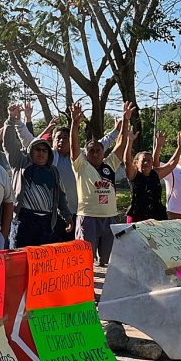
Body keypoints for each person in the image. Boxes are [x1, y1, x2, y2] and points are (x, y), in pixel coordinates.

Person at [70, 101, 131, 265]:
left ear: (104, 152)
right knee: (84, 260)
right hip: (88, 217)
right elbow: (74, 145)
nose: (95, 153)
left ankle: (107, 288)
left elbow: (122, 143)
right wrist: (74, 124)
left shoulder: (110, 164)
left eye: (99, 150)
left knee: (108, 260)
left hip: (109, 218)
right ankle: (87, 290)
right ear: (86, 153)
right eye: (91, 150)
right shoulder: (81, 165)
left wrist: (125, 121)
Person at [3, 108, 73, 247]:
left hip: (47, 222)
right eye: (37, 149)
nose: (41, 153)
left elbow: (59, 196)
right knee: (21, 260)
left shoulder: (53, 171)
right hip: (24, 220)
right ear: (31, 151)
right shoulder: (20, 163)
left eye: (44, 150)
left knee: (42, 262)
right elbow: (9, 144)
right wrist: (11, 120)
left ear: (49, 153)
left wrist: (67, 216)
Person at [123, 130, 181, 223]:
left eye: (149, 160)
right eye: (143, 160)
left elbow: (171, 164)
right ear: (136, 163)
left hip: (157, 216)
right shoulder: (133, 175)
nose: (146, 163)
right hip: (137, 216)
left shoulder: (155, 174)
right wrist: (130, 141)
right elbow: (127, 162)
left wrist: (180, 148)